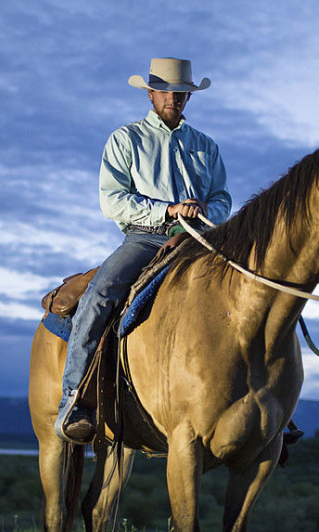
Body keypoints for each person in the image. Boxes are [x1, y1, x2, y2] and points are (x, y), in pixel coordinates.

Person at [55, 57, 232, 443]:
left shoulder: (205, 146)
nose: (173, 98)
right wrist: (168, 210)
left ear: (188, 96)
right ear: (150, 94)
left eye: (180, 92)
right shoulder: (126, 139)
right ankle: (74, 399)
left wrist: (205, 209)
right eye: (165, 91)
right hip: (146, 237)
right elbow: (112, 200)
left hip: (201, 239)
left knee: (251, 286)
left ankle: (267, 406)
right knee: (101, 293)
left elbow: (222, 198)